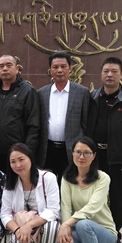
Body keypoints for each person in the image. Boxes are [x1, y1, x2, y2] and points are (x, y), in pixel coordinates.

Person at [87, 57, 122, 243]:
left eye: (114, 71)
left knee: (116, 195)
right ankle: (92, 231)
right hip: (93, 157)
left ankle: (115, 233)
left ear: (121, 75)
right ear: (101, 74)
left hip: (116, 157)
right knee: (92, 195)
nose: (109, 75)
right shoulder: (93, 98)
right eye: (106, 71)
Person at [57, 137, 118, 243]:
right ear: (72, 154)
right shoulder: (67, 178)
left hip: (104, 232)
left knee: (84, 224)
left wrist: (66, 224)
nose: (81, 157)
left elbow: (92, 207)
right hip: (78, 229)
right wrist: (66, 228)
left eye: (86, 153)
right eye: (78, 152)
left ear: (94, 156)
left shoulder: (103, 178)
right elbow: (65, 206)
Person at [0, 143, 60, 243]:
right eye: (13, 162)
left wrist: (30, 225)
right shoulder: (10, 183)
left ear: (30, 158)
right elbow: (5, 213)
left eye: (21, 159)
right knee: (16, 241)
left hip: (42, 223)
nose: (18, 165)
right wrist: (17, 230)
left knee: (53, 227)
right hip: (21, 224)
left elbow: (53, 210)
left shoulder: (48, 178)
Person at [37, 51, 90, 183]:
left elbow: (85, 124)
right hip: (47, 150)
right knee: (46, 186)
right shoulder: (41, 93)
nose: (59, 70)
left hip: (71, 149)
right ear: (50, 70)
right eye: (55, 67)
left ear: (70, 68)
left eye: (63, 66)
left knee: (69, 186)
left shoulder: (82, 92)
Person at [0, 55, 40, 172]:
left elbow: (33, 124)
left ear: (17, 69)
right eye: (1, 66)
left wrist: (27, 150)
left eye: (9, 65)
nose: (5, 68)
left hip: (18, 153)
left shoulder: (27, 91)